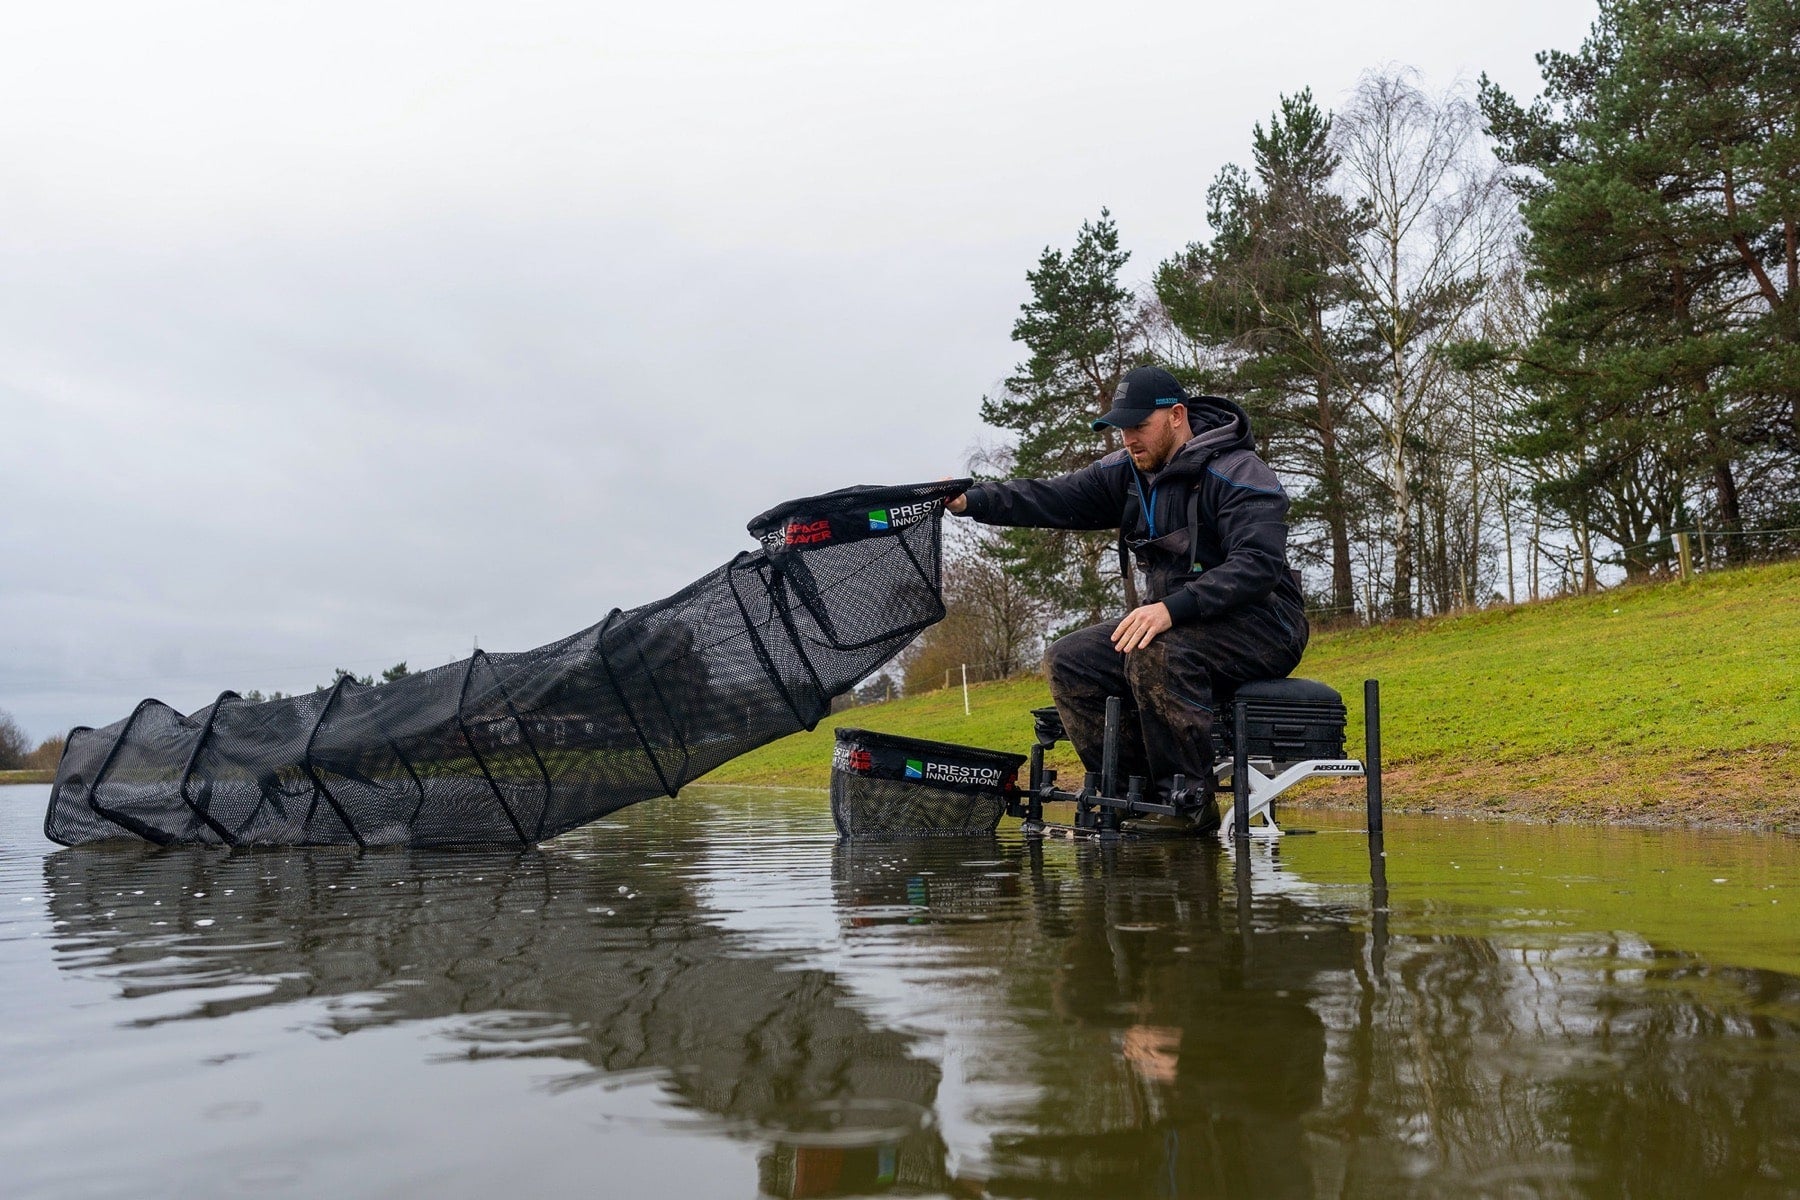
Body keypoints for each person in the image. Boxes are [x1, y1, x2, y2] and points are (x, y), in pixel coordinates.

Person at [948, 365, 1307, 829]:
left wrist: (1169, 609)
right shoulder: (1129, 472)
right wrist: (970, 501)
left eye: (1139, 426)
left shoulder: (1240, 472)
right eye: (1121, 428)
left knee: (1152, 650)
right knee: (1068, 659)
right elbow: (1050, 497)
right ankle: (1126, 797)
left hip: (1264, 624)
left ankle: (1185, 805)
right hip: (1180, 626)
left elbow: (1257, 564)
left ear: (1177, 415)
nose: (1128, 439)